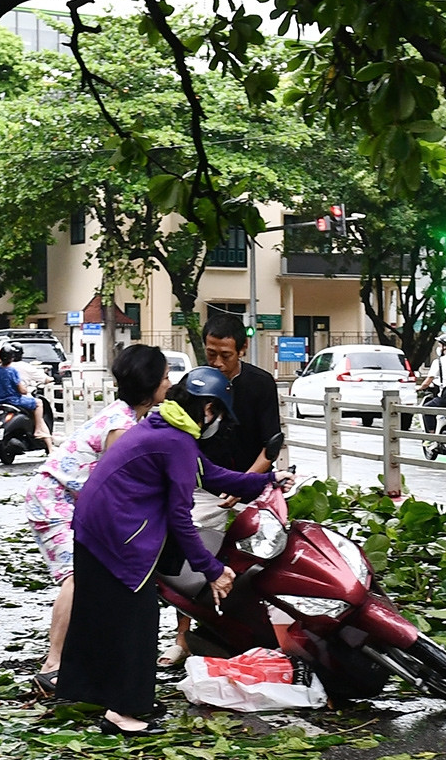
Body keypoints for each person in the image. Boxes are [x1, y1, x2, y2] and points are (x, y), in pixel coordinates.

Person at [60, 367, 277, 734]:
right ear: (208, 409)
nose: (218, 422)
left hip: (99, 527)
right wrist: (211, 569)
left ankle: (125, 698)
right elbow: (180, 516)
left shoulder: (166, 427)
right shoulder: (174, 440)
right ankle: (123, 714)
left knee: (112, 618)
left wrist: (268, 479)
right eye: (219, 414)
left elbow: (210, 475)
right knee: (136, 620)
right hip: (116, 534)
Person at [22, 344, 170, 696]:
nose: (169, 383)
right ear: (150, 385)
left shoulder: (128, 417)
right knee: (78, 577)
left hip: (73, 500)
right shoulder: (122, 428)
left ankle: (83, 659)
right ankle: (53, 665)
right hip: (54, 498)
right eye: (165, 377)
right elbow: (118, 486)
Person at [171, 312, 285, 664]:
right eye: (211, 354)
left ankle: (270, 632)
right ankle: (182, 638)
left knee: (270, 559)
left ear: (244, 349)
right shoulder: (192, 384)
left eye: (226, 355)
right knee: (189, 562)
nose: (217, 363)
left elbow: (271, 444)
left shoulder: (261, 383)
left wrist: (247, 481)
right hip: (204, 489)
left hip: (252, 485)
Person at [0, 344, 52, 443]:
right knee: (39, 403)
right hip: (14, 400)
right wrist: (26, 390)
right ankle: (38, 430)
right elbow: (21, 390)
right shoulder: (12, 370)